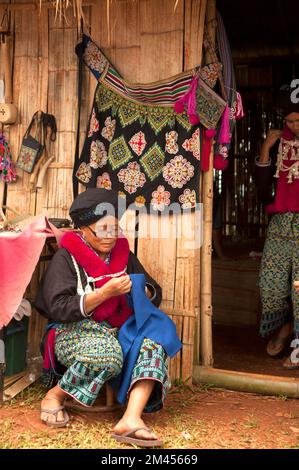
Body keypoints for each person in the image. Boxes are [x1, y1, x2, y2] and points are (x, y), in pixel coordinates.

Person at [35, 188, 181, 447]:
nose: (111, 236)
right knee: (107, 354)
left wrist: (144, 291)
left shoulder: (123, 256)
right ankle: (54, 396)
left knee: (153, 345)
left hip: (119, 329)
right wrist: (103, 294)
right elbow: (58, 307)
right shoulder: (65, 258)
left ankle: (131, 418)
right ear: (83, 230)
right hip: (74, 330)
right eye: (103, 229)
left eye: (115, 229)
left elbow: (152, 288)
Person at [255, 84, 299, 368]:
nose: (294, 126)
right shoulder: (279, 142)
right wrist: (266, 148)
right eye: (290, 121)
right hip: (281, 223)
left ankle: (295, 343)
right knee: (270, 288)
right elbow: (261, 192)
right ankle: (286, 326)